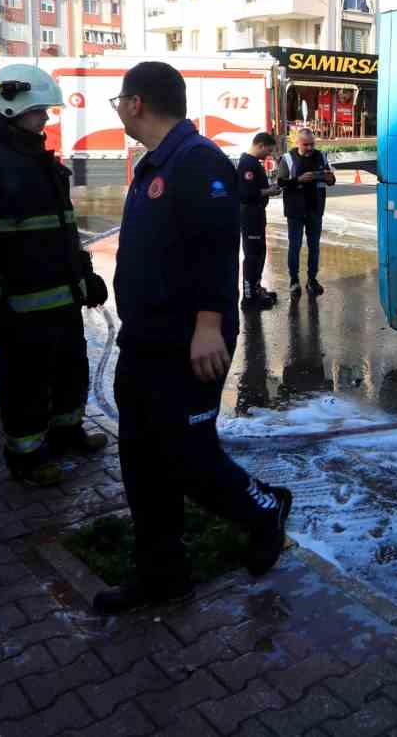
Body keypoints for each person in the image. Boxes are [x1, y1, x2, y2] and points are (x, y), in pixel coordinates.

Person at [98, 61, 291, 614]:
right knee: (140, 455)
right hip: (147, 338)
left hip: (190, 341)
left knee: (187, 456)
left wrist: (209, 325)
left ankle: (264, 510)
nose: (119, 110)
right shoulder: (154, 162)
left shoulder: (197, 160)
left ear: (136, 103)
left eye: (120, 102)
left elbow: (215, 246)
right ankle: (163, 572)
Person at [0, 65, 110, 488]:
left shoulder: (37, 160)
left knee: (71, 370)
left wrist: (85, 275)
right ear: (10, 107)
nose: (46, 119)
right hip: (19, 304)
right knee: (26, 384)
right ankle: (26, 457)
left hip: (62, 298)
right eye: (39, 111)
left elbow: (63, 229)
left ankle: (67, 433)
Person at [276, 127, 335, 298]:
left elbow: (331, 179)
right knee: (294, 247)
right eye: (305, 145)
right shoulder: (287, 159)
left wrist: (330, 178)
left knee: (314, 247)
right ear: (297, 143)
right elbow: (280, 183)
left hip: (315, 209)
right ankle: (294, 281)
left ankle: (312, 279)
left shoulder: (321, 156)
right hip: (295, 211)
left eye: (312, 144)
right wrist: (298, 180)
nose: (310, 148)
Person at [236, 132, 282, 310]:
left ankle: (256, 287)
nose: (268, 155)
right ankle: (248, 298)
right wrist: (269, 192)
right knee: (252, 256)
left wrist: (268, 189)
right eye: (268, 151)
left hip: (256, 214)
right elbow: (246, 194)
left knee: (259, 253)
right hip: (249, 215)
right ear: (260, 145)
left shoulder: (254, 163)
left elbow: (255, 189)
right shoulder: (247, 164)